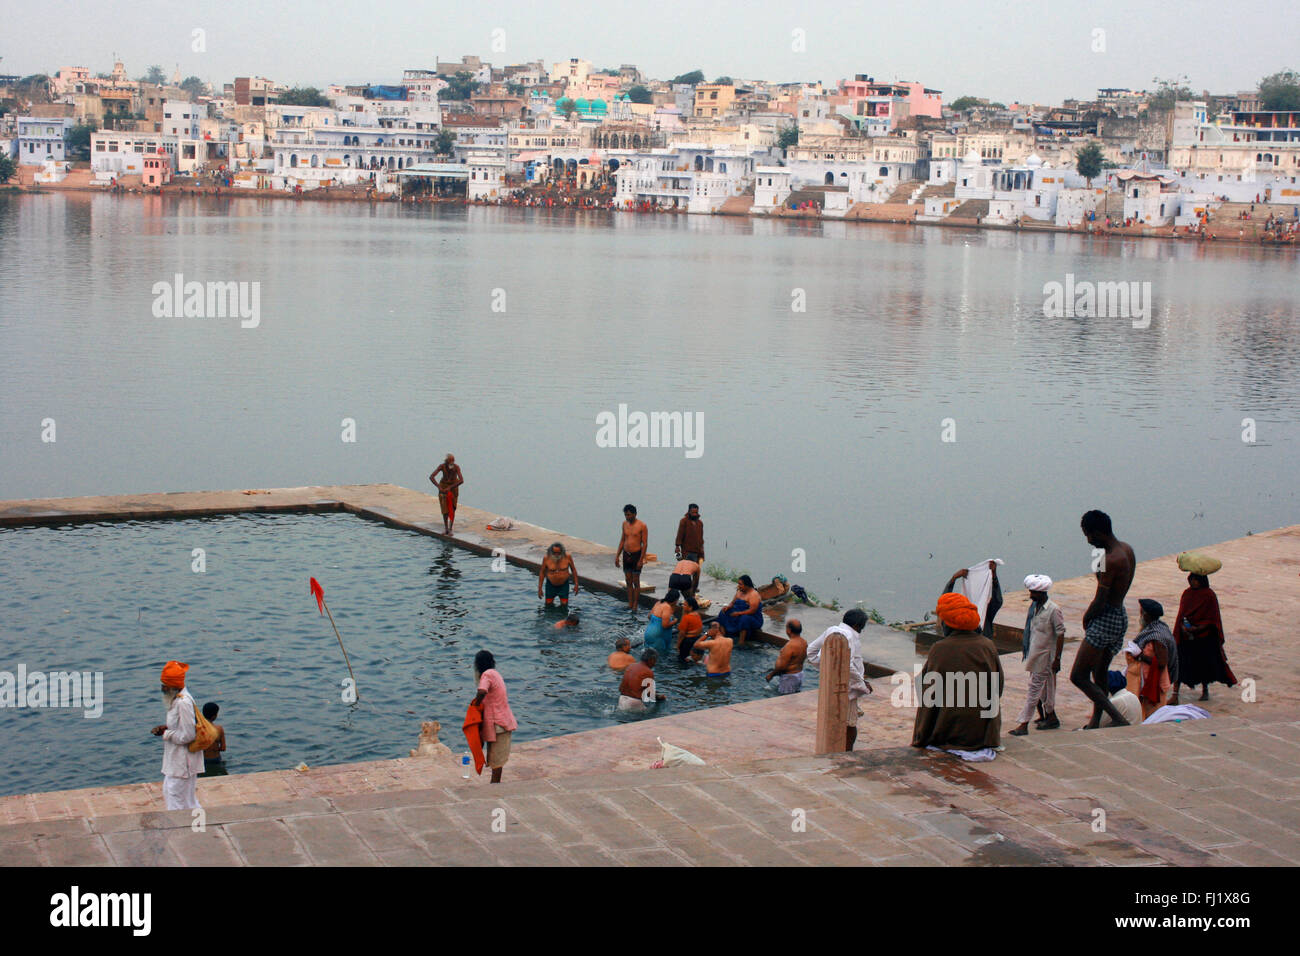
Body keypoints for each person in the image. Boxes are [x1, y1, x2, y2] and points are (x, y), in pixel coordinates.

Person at [911, 594, 1004, 751]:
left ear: (948, 624)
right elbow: (998, 685)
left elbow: (929, 691)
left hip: (948, 728)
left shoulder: (940, 648)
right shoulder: (987, 645)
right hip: (982, 730)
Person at [1072, 510, 1135, 728]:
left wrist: (1087, 618)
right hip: (1120, 615)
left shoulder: (1110, 560)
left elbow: (1100, 599)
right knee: (1099, 674)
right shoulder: (1126, 549)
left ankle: (1117, 718)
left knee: (1078, 676)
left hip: (1105, 618)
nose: (1088, 541)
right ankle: (1095, 721)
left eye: (1088, 535)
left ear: (1098, 533)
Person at [806, 609, 871, 750]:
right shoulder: (850, 636)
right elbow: (849, 664)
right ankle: (847, 752)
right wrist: (861, 684)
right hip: (848, 687)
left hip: (830, 684)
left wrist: (828, 669)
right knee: (850, 723)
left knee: (834, 719)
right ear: (857, 626)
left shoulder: (831, 630)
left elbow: (811, 652)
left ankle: (835, 748)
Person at [1009, 575, 1065, 736]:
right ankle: (1051, 717)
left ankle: (1023, 724)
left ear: (1042, 593)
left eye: (1033, 592)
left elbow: (1060, 634)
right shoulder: (1034, 608)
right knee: (1045, 690)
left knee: (1034, 691)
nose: (1030, 596)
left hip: (1046, 657)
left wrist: (1057, 659)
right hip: (1035, 655)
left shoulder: (1054, 610)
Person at [1171, 572, 1237, 703]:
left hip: (1204, 637)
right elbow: (1182, 614)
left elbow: (1213, 618)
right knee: (1180, 664)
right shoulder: (1187, 593)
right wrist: (1183, 628)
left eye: (1195, 580)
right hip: (1186, 637)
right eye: (1191, 579)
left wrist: (1198, 628)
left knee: (1204, 665)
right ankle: (1175, 694)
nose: (1192, 582)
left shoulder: (1209, 595)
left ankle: (1205, 690)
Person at [151, 661, 204, 810]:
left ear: (172, 686)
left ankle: (185, 829)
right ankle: (197, 827)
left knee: (178, 800)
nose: (162, 688)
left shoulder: (183, 702)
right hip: (176, 761)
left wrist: (166, 734)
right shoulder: (177, 700)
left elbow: (188, 735)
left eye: (164, 685)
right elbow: (181, 727)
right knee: (173, 794)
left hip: (183, 763)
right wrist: (166, 728)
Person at [472, 650, 517, 784]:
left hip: (499, 724)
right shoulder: (495, 674)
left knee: (496, 760)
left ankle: (495, 786)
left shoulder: (487, 675)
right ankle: (495, 783)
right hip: (501, 721)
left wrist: (475, 705)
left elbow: (482, 691)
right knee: (496, 759)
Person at [1135, 598, 1178, 693]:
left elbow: (1162, 662)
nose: (1140, 616)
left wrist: (1141, 656)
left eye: (1141, 613)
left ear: (1146, 615)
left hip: (1154, 683)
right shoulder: (1158, 627)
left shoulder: (1157, 637)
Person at [614, 504, 648, 611]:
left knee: (635, 581)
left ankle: (635, 605)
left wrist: (641, 559)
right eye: (625, 515)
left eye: (629, 515)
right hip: (626, 554)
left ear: (634, 514)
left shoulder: (642, 525)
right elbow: (622, 540)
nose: (627, 517)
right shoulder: (624, 524)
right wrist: (617, 556)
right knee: (628, 580)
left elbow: (645, 543)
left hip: (636, 554)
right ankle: (630, 603)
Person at [716, 575, 763, 645]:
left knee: (744, 618)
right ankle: (723, 635)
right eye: (738, 584)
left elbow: (752, 611)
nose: (739, 586)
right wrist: (728, 607)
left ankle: (741, 642)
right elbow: (732, 602)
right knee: (723, 612)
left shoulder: (754, 595)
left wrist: (739, 613)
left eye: (740, 584)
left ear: (747, 585)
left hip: (753, 618)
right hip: (737, 613)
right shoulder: (739, 591)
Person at [765, 619, 807, 694]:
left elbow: (782, 666)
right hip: (799, 674)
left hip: (789, 677)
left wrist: (771, 675)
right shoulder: (804, 642)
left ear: (789, 630)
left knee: (784, 700)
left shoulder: (790, 645)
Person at [429, 454, 464, 534]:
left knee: (452, 508)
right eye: (450, 462)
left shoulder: (456, 467)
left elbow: (461, 480)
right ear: (446, 462)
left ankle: (450, 528)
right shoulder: (442, 466)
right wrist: (439, 487)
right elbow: (431, 476)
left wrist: (450, 487)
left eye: (453, 462)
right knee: (445, 509)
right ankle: (446, 528)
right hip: (443, 487)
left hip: (453, 488)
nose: (451, 464)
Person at [538, 541, 579, 608]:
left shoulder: (568, 557)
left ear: (562, 552)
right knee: (548, 605)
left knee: (564, 606)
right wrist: (540, 588)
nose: (556, 555)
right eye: (554, 553)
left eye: (558, 553)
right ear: (551, 552)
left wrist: (576, 584)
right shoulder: (546, 558)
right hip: (550, 586)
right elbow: (542, 572)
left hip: (564, 586)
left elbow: (573, 570)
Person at [674, 504, 704, 586]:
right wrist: (677, 546)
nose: (694, 514)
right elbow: (680, 534)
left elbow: (701, 538)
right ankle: (684, 585)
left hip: (696, 551)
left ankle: (693, 587)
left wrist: (702, 552)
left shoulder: (700, 523)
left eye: (696, 512)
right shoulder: (684, 521)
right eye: (693, 512)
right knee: (684, 569)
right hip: (686, 551)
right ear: (689, 511)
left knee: (695, 571)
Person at [643, 589, 680, 656]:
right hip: (657, 637)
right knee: (659, 659)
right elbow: (664, 625)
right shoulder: (667, 607)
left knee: (648, 656)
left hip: (648, 634)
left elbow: (649, 616)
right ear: (676, 600)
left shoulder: (658, 603)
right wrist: (675, 621)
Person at [198, 702, 227, 776]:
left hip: (203, 760)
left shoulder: (198, 729)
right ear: (214, 716)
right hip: (216, 759)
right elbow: (223, 748)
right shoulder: (219, 729)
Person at [676, 595, 704, 662]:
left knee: (682, 660)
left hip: (687, 643)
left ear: (690, 607)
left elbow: (681, 633)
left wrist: (678, 645)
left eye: (685, 605)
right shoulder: (697, 615)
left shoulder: (687, 618)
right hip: (697, 641)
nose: (683, 606)